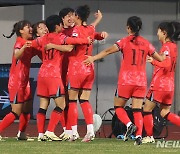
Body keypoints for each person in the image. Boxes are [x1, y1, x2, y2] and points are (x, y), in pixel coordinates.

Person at [84, 16, 166, 145]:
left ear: (129, 28)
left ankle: (129, 125)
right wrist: (163, 55)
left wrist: (93, 58)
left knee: (118, 107)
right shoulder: (146, 43)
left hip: (126, 80)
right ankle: (139, 136)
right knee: (137, 110)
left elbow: (108, 51)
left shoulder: (124, 41)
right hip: (140, 81)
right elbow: (160, 59)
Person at [32, 15, 92, 141]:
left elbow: (32, 44)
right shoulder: (60, 37)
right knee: (62, 104)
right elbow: (72, 43)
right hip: (53, 75)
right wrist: (86, 40)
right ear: (58, 26)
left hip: (42, 73)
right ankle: (50, 131)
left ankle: (40, 135)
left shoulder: (42, 39)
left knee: (43, 105)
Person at [57, 7, 108, 141]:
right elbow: (92, 27)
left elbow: (70, 41)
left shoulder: (75, 30)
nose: (71, 17)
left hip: (76, 66)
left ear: (77, 16)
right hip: (89, 66)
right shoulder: (90, 29)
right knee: (85, 100)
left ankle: (73, 132)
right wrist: (99, 19)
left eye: (73, 15)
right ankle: (90, 131)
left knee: (72, 101)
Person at [0, 20, 41, 140]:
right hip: (16, 82)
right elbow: (17, 54)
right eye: (27, 27)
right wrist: (24, 47)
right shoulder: (20, 42)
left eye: (30, 26)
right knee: (15, 112)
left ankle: (21, 133)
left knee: (27, 109)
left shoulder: (29, 43)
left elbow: (41, 54)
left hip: (25, 81)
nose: (30, 29)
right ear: (21, 31)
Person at [142, 21, 180, 144]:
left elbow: (167, 64)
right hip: (170, 85)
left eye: (158, 31)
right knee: (164, 112)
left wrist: (153, 61)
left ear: (164, 32)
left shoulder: (167, 47)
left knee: (147, 110)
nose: (157, 34)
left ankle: (149, 136)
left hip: (160, 85)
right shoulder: (174, 46)